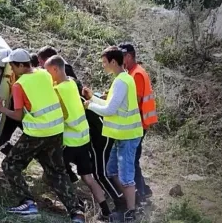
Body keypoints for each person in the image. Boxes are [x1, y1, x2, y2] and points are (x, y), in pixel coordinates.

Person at [0, 48, 86, 222]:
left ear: (20, 65)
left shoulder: (20, 85)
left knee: (10, 164)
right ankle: (76, 212)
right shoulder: (44, 74)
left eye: (12, 65)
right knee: (57, 171)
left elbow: (18, 115)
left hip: (37, 132)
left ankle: (27, 202)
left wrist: (1, 108)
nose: (11, 69)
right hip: (56, 130)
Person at [44, 55, 112, 220]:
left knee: (56, 173)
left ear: (55, 69)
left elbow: (62, 114)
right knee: (88, 177)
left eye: (47, 71)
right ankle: (106, 211)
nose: (47, 75)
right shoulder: (72, 84)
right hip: (83, 139)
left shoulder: (57, 91)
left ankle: (76, 205)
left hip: (69, 142)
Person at [82, 46, 144, 222]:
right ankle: (130, 200)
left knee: (125, 175)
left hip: (128, 136)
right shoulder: (122, 79)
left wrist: (89, 105)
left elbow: (109, 109)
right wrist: (92, 97)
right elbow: (110, 103)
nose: (103, 66)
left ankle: (131, 211)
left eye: (104, 62)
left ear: (113, 62)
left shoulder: (122, 82)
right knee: (111, 171)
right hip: (121, 135)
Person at [118, 43, 157, 205]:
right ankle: (144, 190)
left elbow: (136, 100)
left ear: (128, 56)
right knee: (133, 158)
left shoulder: (137, 74)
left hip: (138, 124)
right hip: (138, 123)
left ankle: (140, 194)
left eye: (121, 57)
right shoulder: (132, 72)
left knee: (132, 159)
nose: (120, 61)